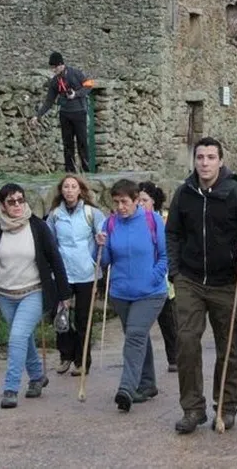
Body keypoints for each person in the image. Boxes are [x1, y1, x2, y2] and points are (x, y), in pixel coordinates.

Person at [166, 137, 237, 434]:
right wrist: (175, 272)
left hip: (226, 284)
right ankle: (192, 408)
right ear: (194, 160)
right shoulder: (184, 194)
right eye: (200, 157)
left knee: (227, 348)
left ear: (221, 161)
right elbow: (172, 234)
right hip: (190, 280)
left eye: (210, 157)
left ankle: (226, 405)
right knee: (186, 342)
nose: (205, 163)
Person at [0, 183, 70, 409]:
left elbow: (55, 260)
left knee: (16, 337)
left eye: (20, 200)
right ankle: (37, 376)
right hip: (5, 294)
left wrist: (64, 295)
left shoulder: (38, 227)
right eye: (11, 201)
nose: (17, 205)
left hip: (33, 292)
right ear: (2, 205)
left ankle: (10, 388)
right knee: (23, 338)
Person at [96, 179, 168, 412]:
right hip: (120, 293)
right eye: (116, 202)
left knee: (135, 335)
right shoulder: (110, 224)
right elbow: (104, 262)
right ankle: (147, 384)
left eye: (124, 202)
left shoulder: (152, 220)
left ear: (137, 200)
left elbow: (167, 255)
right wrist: (100, 246)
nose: (120, 207)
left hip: (151, 292)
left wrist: (154, 276)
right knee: (139, 336)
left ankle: (126, 388)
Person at [45, 174, 106, 377]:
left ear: (80, 190)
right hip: (63, 273)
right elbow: (49, 242)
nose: (69, 190)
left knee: (82, 318)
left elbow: (103, 233)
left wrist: (101, 239)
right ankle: (66, 354)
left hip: (86, 272)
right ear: (61, 191)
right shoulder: (54, 215)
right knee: (59, 315)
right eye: (66, 187)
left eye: (73, 186)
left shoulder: (92, 213)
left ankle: (82, 361)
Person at [138, 181, 179, 374]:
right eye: (138, 200)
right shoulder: (134, 221)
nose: (140, 204)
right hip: (141, 278)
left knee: (168, 321)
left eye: (144, 200)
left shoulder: (165, 219)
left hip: (164, 278)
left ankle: (174, 358)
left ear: (154, 201)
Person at [30, 52, 95, 173]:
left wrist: (77, 94)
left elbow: (90, 85)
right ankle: (70, 171)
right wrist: (37, 116)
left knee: (82, 142)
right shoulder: (55, 81)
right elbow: (49, 101)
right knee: (67, 144)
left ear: (61, 65)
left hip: (79, 112)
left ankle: (87, 171)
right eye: (52, 67)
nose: (53, 70)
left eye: (55, 67)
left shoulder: (76, 73)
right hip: (64, 114)